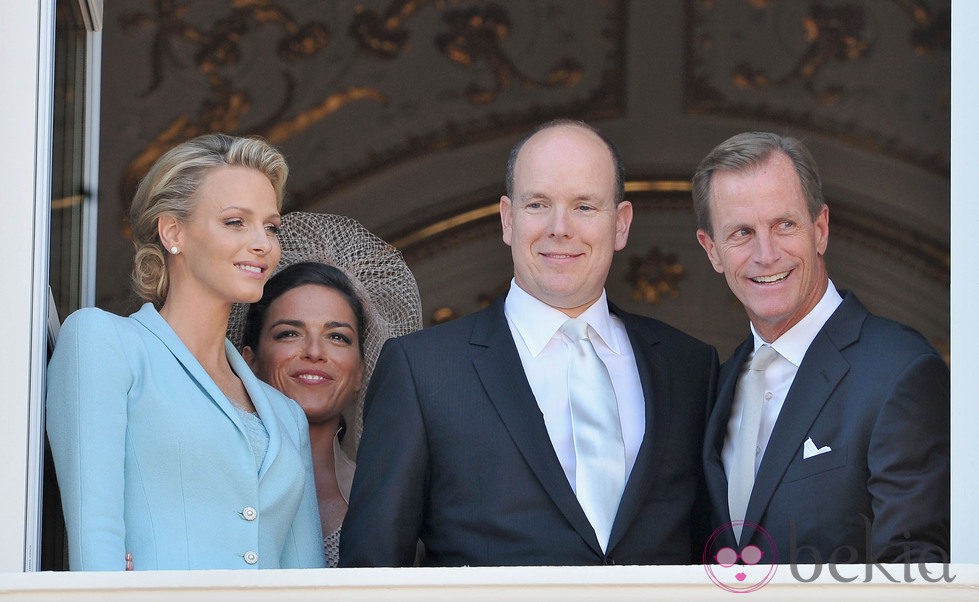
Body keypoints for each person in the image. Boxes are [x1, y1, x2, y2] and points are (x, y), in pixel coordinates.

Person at [340, 119, 719, 567]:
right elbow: (372, 570)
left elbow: (713, 553)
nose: (560, 228)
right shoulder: (422, 371)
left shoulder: (690, 366)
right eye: (538, 204)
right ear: (507, 219)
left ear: (620, 224)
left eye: (584, 207)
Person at [46, 133, 325, 570]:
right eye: (236, 221)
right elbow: (93, 546)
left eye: (271, 227)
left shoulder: (284, 412)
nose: (263, 244)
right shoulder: (105, 342)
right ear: (173, 231)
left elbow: (305, 577)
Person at [693, 131, 950, 563]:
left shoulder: (898, 370)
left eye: (784, 224)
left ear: (820, 229)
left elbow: (914, 569)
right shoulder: (716, 383)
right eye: (741, 233)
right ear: (713, 250)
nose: (766, 253)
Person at [230, 212, 423, 567]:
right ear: (249, 361)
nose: (315, 352)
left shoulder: (390, 498)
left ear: (361, 372)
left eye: (338, 337)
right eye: (289, 333)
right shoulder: (218, 480)